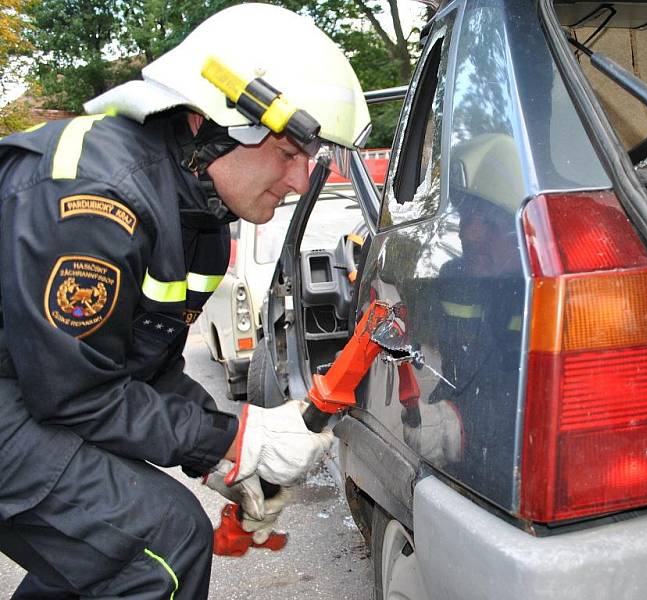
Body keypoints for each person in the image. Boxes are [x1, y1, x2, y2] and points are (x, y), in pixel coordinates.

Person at [0, 4, 371, 598]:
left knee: (104, 550)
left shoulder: (198, 222)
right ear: (215, 123)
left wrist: (229, 450)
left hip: (29, 387)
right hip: (24, 393)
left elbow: (141, 367)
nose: (303, 181)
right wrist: (230, 439)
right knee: (160, 543)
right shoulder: (95, 197)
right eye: (289, 153)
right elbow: (75, 391)